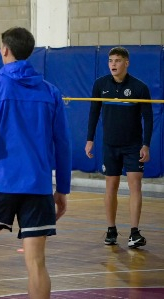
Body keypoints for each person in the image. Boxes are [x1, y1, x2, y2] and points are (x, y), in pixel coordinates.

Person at [0, 27, 70, 299]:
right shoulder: (51, 92)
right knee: (36, 262)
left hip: (2, 182)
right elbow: (63, 144)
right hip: (37, 185)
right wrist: (63, 189)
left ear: (4, 49)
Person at [85, 46, 152, 249]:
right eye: (110, 61)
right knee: (111, 187)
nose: (113, 64)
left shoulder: (140, 88)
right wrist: (90, 140)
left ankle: (134, 233)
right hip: (110, 145)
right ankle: (111, 230)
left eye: (117, 60)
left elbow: (148, 119)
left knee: (135, 187)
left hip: (133, 146)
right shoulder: (100, 85)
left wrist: (145, 145)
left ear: (126, 63)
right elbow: (94, 113)